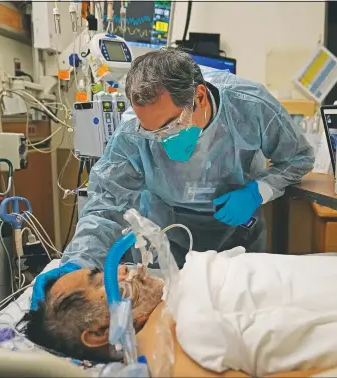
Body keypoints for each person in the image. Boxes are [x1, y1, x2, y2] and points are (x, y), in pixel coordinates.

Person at [30, 47, 314, 310]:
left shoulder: (249, 106)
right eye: (153, 134)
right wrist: (76, 264)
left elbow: (298, 158)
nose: (165, 142)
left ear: (200, 97)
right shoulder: (133, 131)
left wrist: (257, 192)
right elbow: (106, 206)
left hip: (236, 236)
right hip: (164, 240)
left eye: (171, 126)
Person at [20, 253, 337, 376]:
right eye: (99, 278)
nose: (124, 267)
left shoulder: (184, 291)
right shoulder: (176, 340)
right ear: (101, 331)